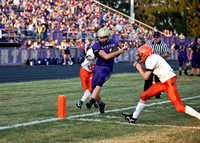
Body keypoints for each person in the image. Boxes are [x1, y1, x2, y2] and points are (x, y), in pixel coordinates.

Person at [121, 45, 200, 123]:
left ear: (144, 54)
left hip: (169, 82)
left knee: (179, 107)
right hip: (163, 83)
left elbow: (146, 77)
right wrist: (139, 66)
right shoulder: (152, 57)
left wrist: (138, 68)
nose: (140, 58)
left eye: (140, 55)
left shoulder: (150, 59)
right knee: (144, 95)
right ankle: (133, 118)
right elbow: (147, 69)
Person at [85, 27, 125, 113]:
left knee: (100, 81)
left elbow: (117, 49)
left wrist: (117, 51)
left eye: (104, 37)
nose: (102, 39)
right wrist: (118, 51)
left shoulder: (114, 42)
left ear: (108, 36)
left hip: (108, 67)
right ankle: (101, 104)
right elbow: (106, 57)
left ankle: (92, 101)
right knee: (93, 88)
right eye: (100, 37)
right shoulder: (96, 45)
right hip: (98, 66)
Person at [145, 31, 170, 99]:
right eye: (154, 37)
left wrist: (160, 56)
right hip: (150, 64)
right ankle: (147, 94)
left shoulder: (163, 45)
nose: (155, 38)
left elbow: (167, 53)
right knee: (148, 80)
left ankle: (158, 95)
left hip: (159, 65)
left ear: (160, 37)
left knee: (158, 81)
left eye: (157, 37)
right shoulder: (149, 44)